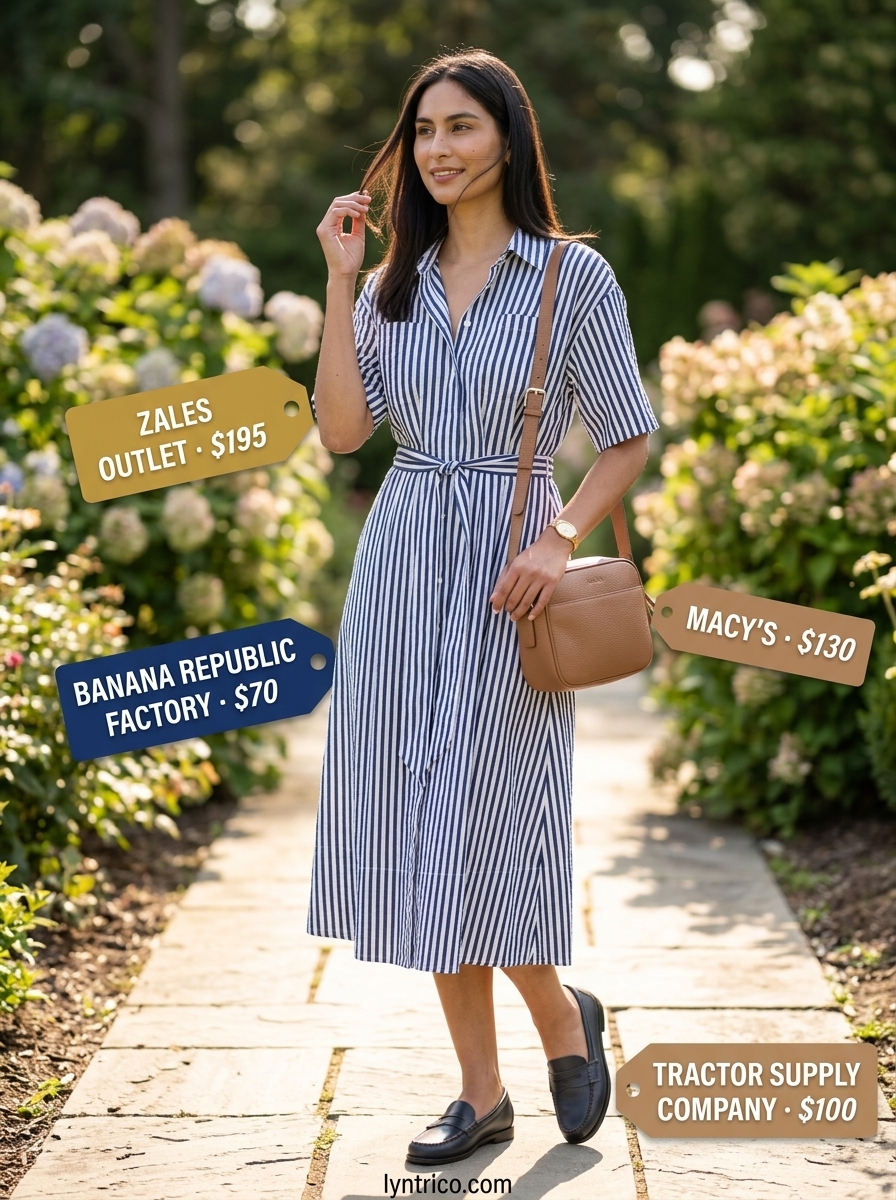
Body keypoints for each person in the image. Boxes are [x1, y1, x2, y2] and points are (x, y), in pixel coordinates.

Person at [308, 48, 657, 1166]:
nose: (438, 149)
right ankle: (480, 1091)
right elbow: (342, 433)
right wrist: (338, 278)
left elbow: (627, 436)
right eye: (422, 131)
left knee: (487, 821)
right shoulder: (389, 284)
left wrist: (559, 538)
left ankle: (559, 1015)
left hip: (514, 577)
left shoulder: (568, 276)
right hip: (401, 567)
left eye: (460, 126)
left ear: (507, 136)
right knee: (418, 827)